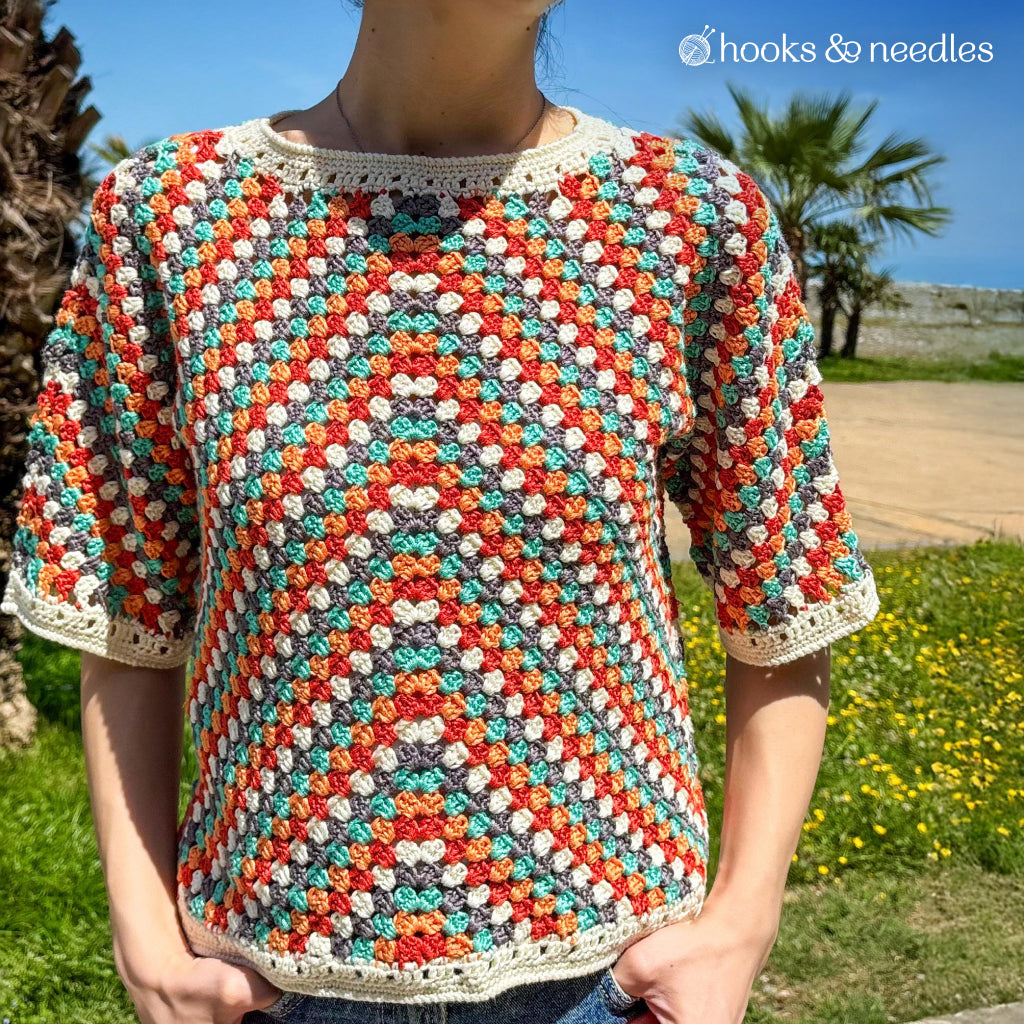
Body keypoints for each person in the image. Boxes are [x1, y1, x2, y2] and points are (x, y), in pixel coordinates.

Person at [1, 1, 882, 1022]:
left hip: (611, 982)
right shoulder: (168, 215)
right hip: (265, 985)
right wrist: (144, 934)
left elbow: (783, 594)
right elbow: (124, 605)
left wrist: (741, 920)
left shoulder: (688, 218)